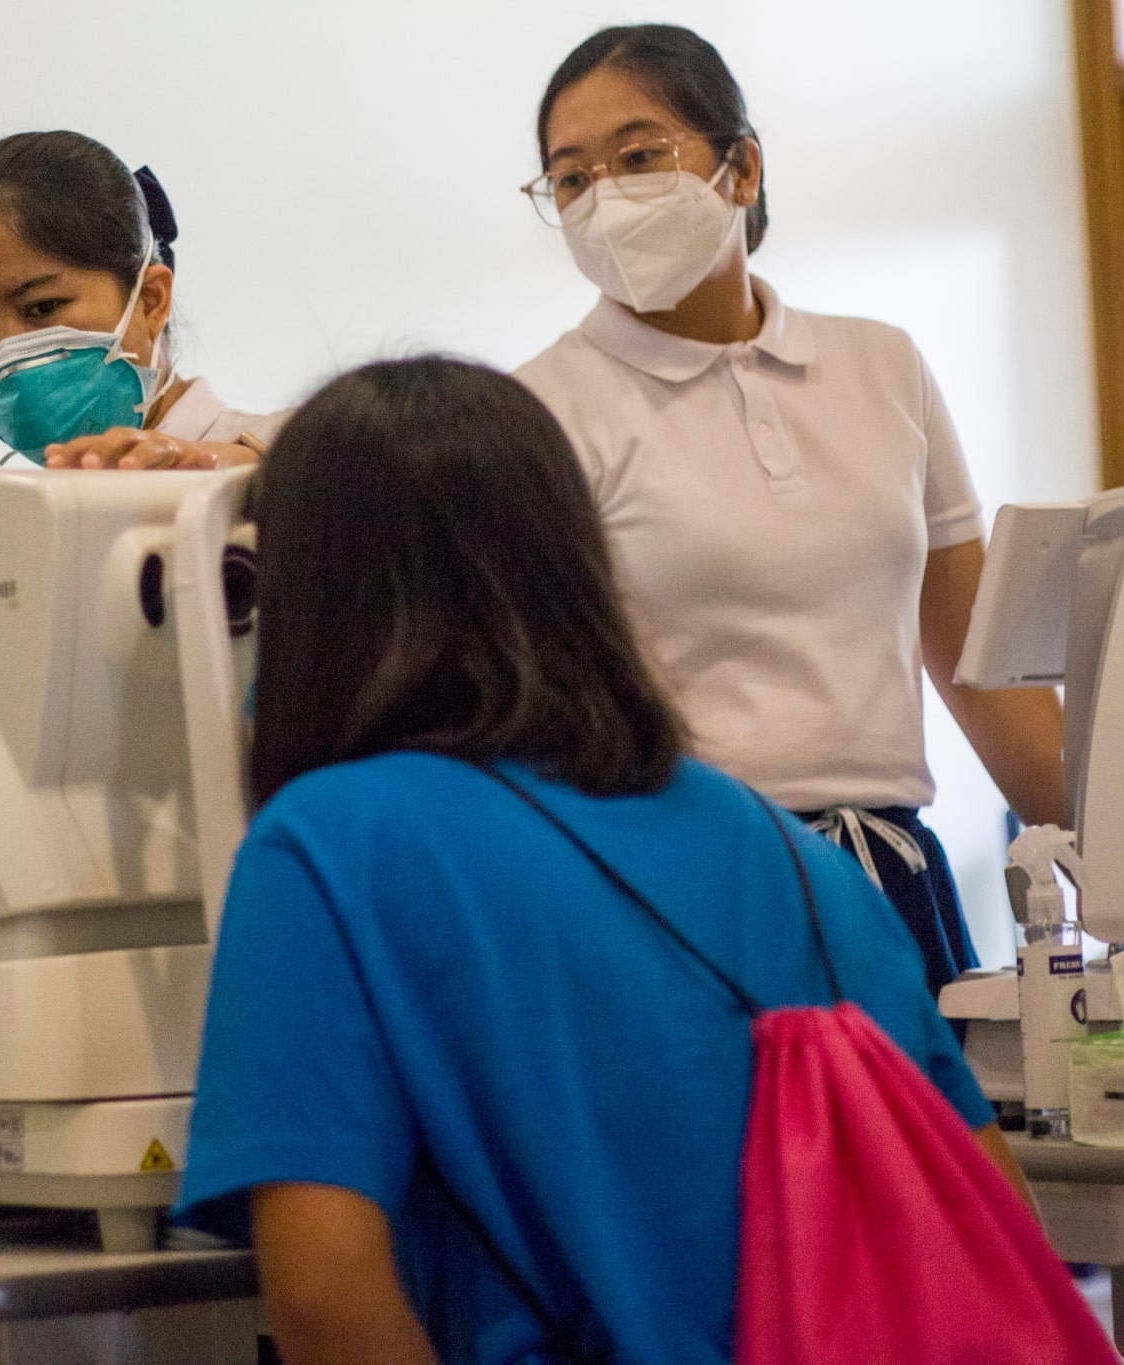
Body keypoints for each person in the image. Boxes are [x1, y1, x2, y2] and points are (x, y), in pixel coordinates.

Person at [173, 356, 1024, 1364]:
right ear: (573, 564)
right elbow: (986, 1211)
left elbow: (321, 1290)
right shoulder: (777, 846)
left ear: (306, 594)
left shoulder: (323, 849)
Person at [513, 25, 1065, 999]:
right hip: (679, 890)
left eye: (639, 157)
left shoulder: (879, 364)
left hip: (886, 873)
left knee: (933, 1148)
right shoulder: (538, 411)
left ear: (740, 166)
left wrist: (1094, 859)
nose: (604, 198)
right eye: (569, 180)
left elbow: (978, 663)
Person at [0, 130, 286, 470]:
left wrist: (242, 474)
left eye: (43, 307)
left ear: (149, 300)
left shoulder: (294, 458)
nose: (10, 353)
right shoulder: (11, 523)